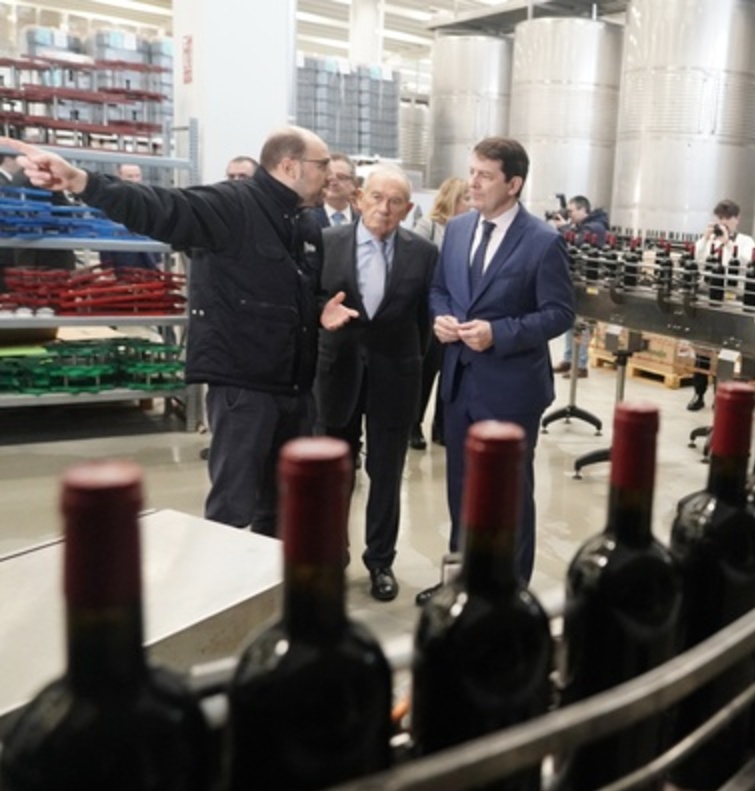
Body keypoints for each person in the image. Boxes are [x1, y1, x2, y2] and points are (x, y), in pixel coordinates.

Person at [3, 127, 337, 536]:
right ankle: (225, 592)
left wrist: (320, 312)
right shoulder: (232, 206)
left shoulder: (303, 225)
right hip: (245, 390)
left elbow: (297, 291)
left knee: (281, 506)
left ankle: (267, 590)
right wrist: (82, 182)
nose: (331, 177)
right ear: (290, 166)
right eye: (323, 166)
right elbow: (160, 207)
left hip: (294, 389)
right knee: (233, 509)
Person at [422, 136, 574, 600]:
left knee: (508, 496)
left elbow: (559, 313)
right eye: (472, 172)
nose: (473, 183)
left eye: (485, 175)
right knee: (460, 490)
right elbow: (440, 289)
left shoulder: (544, 242)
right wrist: (441, 318)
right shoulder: (460, 229)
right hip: (460, 383)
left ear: (514, 183)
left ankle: (509, 593)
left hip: (511, 391)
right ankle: (460, 583)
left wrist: (499, 333)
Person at [316, 165, 438, 602]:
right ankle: (333, 557)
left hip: (395, 377)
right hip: (337, 374)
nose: (384, 210)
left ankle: (380, 561)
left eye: (395, 203)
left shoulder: (423, 254)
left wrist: (409, 362)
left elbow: (425, 322)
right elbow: (311, 299)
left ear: (407, 210)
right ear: (361, 198)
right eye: (377, 198)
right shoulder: (327, 243)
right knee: (335, 474)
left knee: (386, 473)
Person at [411, 176, 470, 450]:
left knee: (450, 372)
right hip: (430, 312)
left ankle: (442, 427)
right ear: (452, 200)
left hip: (459, 313)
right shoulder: (429, 226)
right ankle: (414, 424)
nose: (470, 204)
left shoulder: (472, 230)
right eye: (465, 198)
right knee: (426, 370)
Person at [686, 198, 755, 411]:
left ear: (738, 220)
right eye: (721, 218)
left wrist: (728, 243)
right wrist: (705, 240)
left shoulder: (745, 241)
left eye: (729, 218)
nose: (724, 222)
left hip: (732, 299)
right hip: (708, 297)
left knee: (726, 351)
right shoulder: (710, 240)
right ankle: (698, 393)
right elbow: (697, 263)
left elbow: (747, 264)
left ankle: (721, 396)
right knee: (703, 348)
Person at [551, 194, 610, 378]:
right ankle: (569, 359)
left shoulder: (596, 227)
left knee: (584, 324)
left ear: (584, 210)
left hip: (590, 283)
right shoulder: (582, 226)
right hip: (578, 280)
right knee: (571, 321)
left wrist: (565, 228)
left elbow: (578, 241)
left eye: (571, 211)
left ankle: (582, 364)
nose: (569, 215)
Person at [99, 164, 163, 270]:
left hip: (148, 262)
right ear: (119, 177)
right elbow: (103, 235)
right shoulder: (109, 202)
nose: (135, 180)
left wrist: (158, 262)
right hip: (121, 265)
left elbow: (154, 232)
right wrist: (107, 268)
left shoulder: (149, 201)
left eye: (137, 176)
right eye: (130, 176)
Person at [310, 153, 358, 227]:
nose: (333, 182)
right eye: (329, 176)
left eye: (341, 177)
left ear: (353, 183)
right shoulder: (308, 219)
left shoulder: (362, 222)